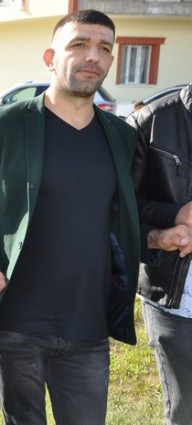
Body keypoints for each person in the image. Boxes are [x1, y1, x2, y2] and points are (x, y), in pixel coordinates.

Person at [0, 10, 141, 424]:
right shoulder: (5, 125)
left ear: (111, 60)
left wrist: (164, 232)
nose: (92, 56)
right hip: (17, 321)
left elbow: (130, 215)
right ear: (50, 57)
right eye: (79, 45)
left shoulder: (122, 136)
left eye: (104, 48)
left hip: (89, 324)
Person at [128, 83, 192, 424]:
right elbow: (118, 205)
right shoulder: (153, 120)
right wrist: (174, 216)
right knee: (186, 410)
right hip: (178, 300)